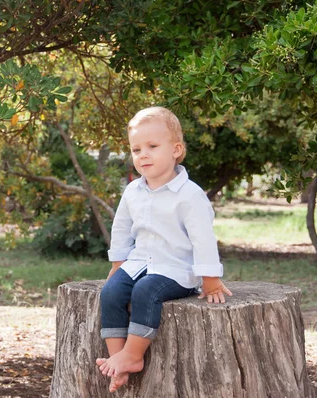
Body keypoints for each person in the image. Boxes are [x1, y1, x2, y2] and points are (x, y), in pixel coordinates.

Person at [95, 106, 233, 393]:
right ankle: (117, 356)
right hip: (139, 262)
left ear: (176, 150)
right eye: (136, 149)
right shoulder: (133, 191)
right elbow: (121, 228)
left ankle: (133, 356)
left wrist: (210, 279)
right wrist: (118, 263)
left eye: (152, 146)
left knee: (145, 291)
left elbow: (203, 240)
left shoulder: (190, 195)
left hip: (177, 269)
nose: (142, 154)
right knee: (111, 291)